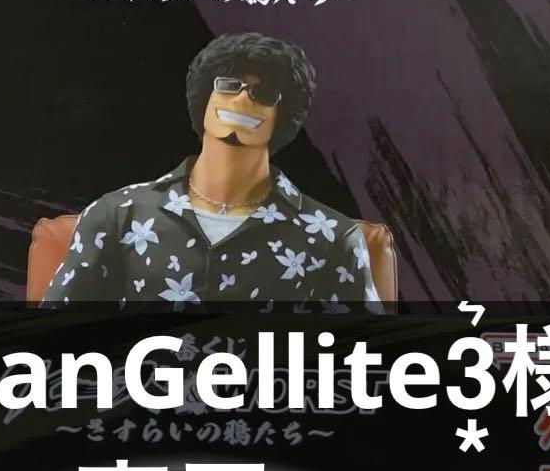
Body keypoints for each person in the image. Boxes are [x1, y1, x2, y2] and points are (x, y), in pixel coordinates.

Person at [42, 32, 382, 309]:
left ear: (284, 114)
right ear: (205, 96)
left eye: (264, 93)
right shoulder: (116, 216)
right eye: (229, 85)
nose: (243, 100)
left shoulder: (333, 239)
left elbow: (364, 358)